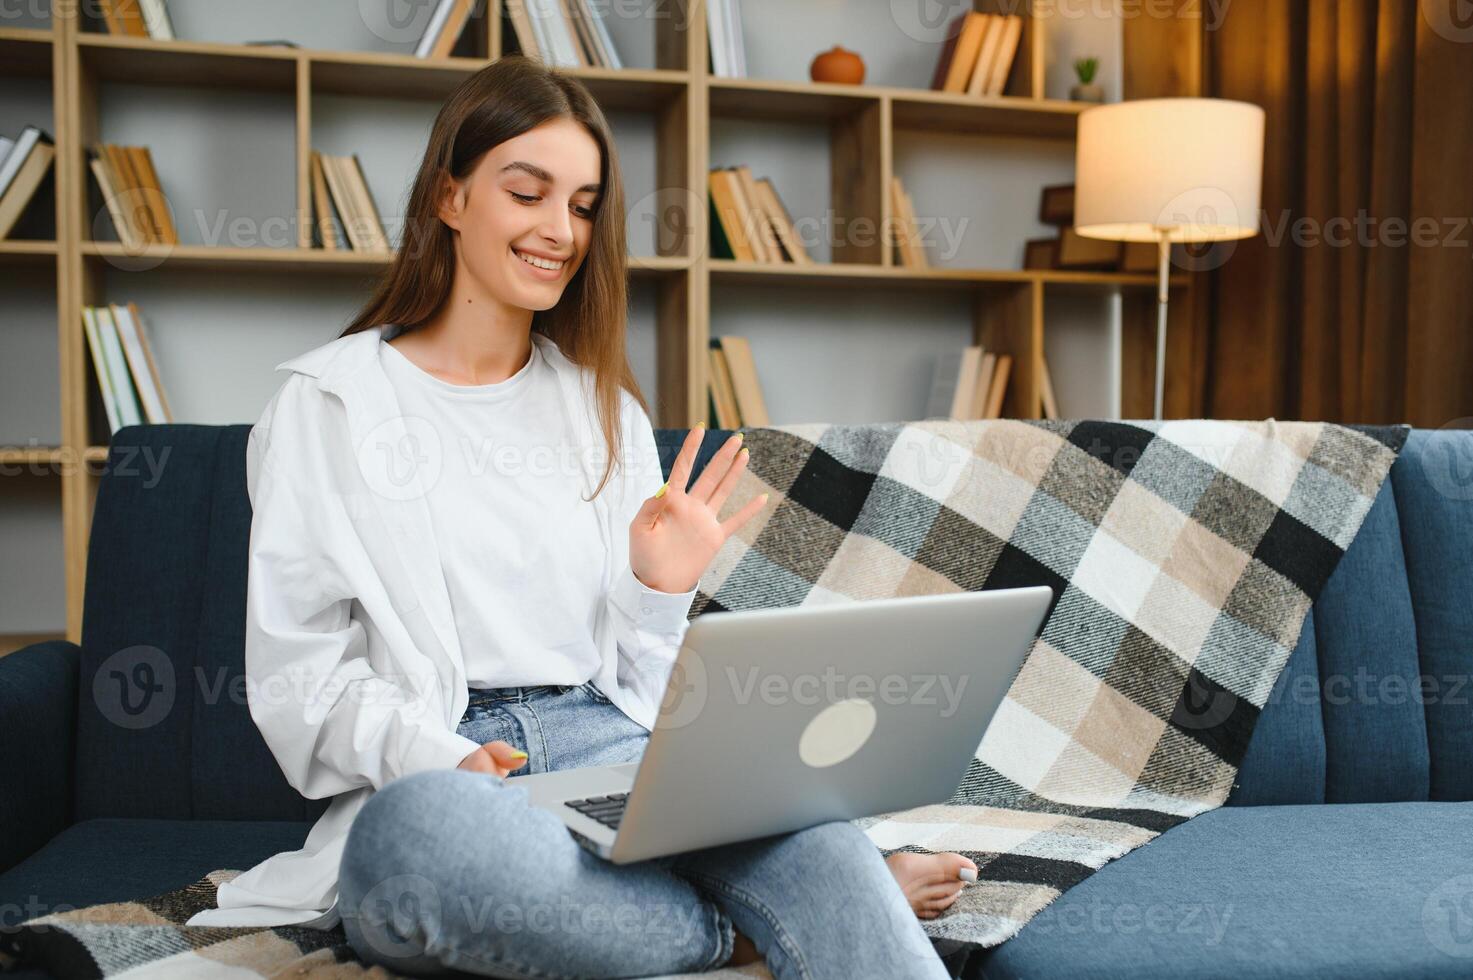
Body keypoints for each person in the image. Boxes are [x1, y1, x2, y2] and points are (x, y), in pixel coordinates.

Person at [216, 55, 978, 978]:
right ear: (450, 198)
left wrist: (660, 593)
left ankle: (810, 893)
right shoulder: (324, 405)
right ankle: (735, 934)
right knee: (423, 845)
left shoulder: (601, 408)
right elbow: (301, 680)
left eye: (581, 206)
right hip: (459, 776)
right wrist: (441, 757)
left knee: (813, 833)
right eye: (526, 193)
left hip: (617, 748)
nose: (558, 231)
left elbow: (642, 680)